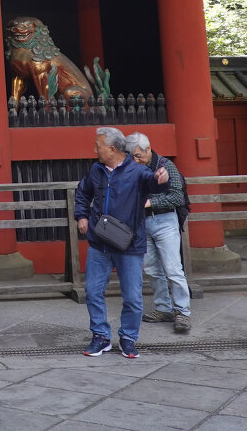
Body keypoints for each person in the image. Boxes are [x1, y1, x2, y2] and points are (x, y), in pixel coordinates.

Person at [74, 126, 171, 359]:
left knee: (133, 297)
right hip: (99, 241)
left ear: (111, 149)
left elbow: (155, 184)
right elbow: (82, 193)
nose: (95, 150)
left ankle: (128, 338)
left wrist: (162, 179)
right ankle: (100, 336)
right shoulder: (96, 170)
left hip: (130, 243)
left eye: (98, 146)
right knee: (92, 291)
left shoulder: (138, 172)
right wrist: (82, 216)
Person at [125, 132, 192, 334]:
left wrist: (150, 202)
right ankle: (163, 308)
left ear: (148, 149)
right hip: (141, 223)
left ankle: (182, 312)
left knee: (173, 269)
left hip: (164, 221)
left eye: (138, 155)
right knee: (152, 269)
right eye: (131, 156)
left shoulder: (166, 165)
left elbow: (177, 197)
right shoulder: (133, 167)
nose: (135, 160)